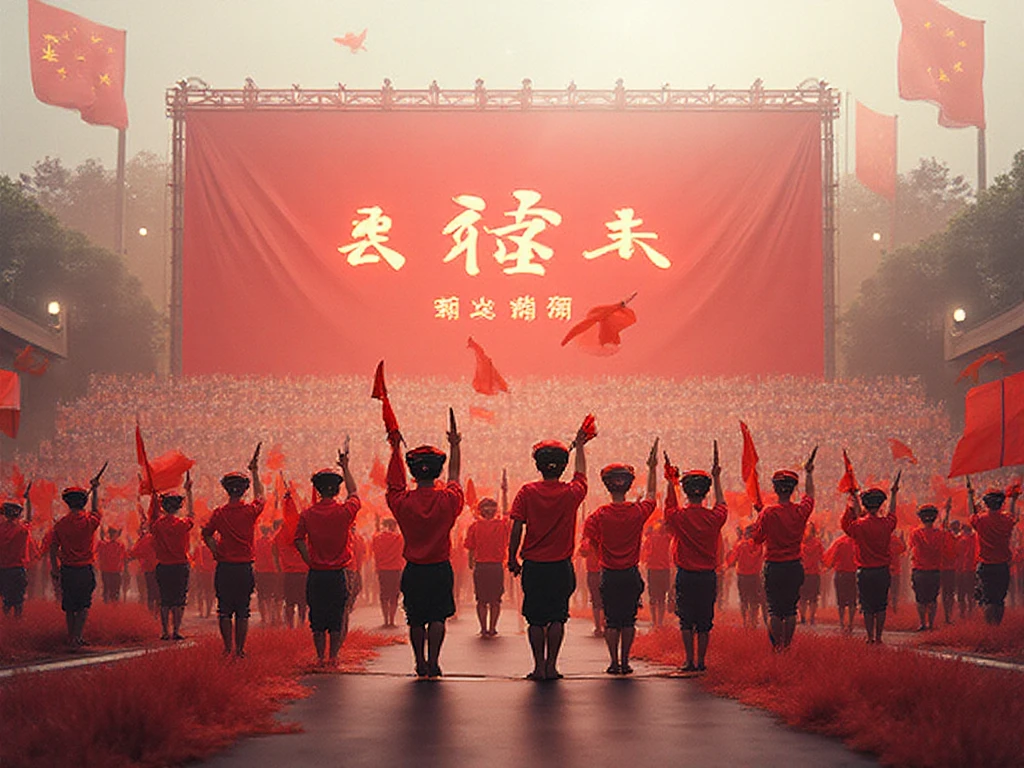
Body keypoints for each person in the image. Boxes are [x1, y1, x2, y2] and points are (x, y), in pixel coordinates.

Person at [508, 426, 589, 681]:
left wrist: (512, 557)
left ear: (538, 466)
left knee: (535, 619)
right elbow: (581, 474)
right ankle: (552, 666)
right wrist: (581, 446)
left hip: (534, 565)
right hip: (560, 566)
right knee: (557, 617)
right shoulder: (571, 493)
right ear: (562, 466)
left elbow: (517, 527)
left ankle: (538, 666)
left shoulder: (527, 492)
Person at [386, 414, 463, 679]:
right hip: (439, 568)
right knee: (438, 617)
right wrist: (455, 446)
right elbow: (455, 476)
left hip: (414, 569)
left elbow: (393, 486)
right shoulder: (449, 500)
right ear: (437, 470)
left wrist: (395, 449)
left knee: (415, 618)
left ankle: (419, 661)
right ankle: (434, 661)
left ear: (413, 473)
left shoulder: (403, 502)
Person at [583, 439, 659, 674]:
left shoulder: (598, 515)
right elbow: (652, 495)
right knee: (628, 621)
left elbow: (589, 544)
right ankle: (625, 662)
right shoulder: (637, 512)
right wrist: (653, 468)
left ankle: (613, 662)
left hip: (609, 574)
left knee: (611, 621)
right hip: (630, 574)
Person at [663, 444, 727, 672]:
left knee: (686, 620)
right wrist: (718, 478)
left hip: (686, 576)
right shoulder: (714, 518)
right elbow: (722, 504)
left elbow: (669, 508)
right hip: (707, 576)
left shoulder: (679, 517)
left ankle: (688, 660)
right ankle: (702, 662)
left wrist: (671, 483)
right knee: (704, 622)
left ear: (686, 491)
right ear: (706, 492)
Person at [294, 452, 361, 666]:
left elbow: (298, 540)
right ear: (337, 489)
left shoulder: (307, 514)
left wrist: (309, 560)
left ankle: (320, 657)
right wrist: (346, 467)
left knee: (317, 618)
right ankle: (334, 657)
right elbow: (355, 492)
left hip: (316, 573)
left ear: (317, 489)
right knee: (336, 617)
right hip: (338, 573)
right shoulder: (344, 512)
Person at [202, 446, 265, 658]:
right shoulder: (249, 511)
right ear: (244, 490)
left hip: (225, 567)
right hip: (244, 568)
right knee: (243, 611)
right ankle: (240, 650)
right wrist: (255, 471)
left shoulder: (219, 513)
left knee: (224, 611)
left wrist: (215, 551)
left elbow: (206, 533)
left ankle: (227, 648)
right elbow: (261, 496)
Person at [751, 451, 816, 651]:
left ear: (775, 489)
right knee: (790, 611)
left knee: (774, 610)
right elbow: (810, 496)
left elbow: (757, 538)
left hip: (774, 566)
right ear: (793, 489)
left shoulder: (768, 513)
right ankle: (786, 648)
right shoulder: (799, 511)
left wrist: (759, 516)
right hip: (794, 565)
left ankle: (776, 649)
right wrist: (809, 473)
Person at [841, 480, 899, 644]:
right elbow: (892, 513)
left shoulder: (859, 526)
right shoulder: (886, 524)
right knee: (881, 605)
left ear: (865, 506)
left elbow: (846, 524)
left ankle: (869, 637)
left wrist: (851, 503)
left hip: (865, 571)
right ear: (880, 506)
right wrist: (894, 494)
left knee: (867, 606)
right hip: (882, 571)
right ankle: (879, 637)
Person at [50, 473, 103, 648]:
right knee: (83, 605)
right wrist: (95, 490)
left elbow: (53, 547)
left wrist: (54, 569)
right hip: (84, 569)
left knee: (70, 606)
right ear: (83, 502)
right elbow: (96, 512)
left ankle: (71, 636)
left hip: (67, 569)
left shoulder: (60, 524)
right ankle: (77, 637)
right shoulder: (89, 521)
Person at [969, 480, 1021, 625]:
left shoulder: (981, 520)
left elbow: (971, 515)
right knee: (999, 600)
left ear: (986, 504)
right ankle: (996, 627)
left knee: (987, 600)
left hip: (986, 565)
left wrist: (970, 495)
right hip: (1002, 566)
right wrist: (1014, 500)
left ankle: (989, 628)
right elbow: (1012, 515)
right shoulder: (1006, 520)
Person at [151, 474, 195, 641]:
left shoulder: (157, 525)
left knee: (165, 601)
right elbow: (192, 514)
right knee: (179, 601)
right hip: (180, 565)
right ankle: (176, 630)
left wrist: (155, 501)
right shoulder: (182, 524)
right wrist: (189, 491)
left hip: (164, 566)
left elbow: (153, 520)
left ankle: (164, 631)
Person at [464, 495, 511, 637]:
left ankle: (484, 628)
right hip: (496, 567)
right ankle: (492, 628)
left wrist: (471, 563)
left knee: (482, 600)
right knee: (495, 600)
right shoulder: (503, 525)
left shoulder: (475, 526)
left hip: (481, 566)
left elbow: (470, 548)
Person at [275, 488, 309, 629]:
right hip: (303, 572)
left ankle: (290, 626)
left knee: (289, 602)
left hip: (288, 573)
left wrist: (278, 568)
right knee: (302, 602)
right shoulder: (303, 531)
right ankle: (301, 624)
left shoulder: (280, 534)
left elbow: (274, 552)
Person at [909, 504, 944, 631]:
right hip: (934, 571)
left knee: (920, 599)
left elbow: (912, 549)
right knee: (932, 599)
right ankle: (931, 624)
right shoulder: (939, 534)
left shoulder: (915, 533)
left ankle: (922, 623)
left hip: (919, 570)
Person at [0, 487, 32, 617]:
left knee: (6, 600)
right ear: (18, 514)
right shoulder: (22, 529)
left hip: (2, 568)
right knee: (18, 600)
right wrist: (28, 499)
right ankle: (17, 623)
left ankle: (6, 625)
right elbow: (29, 518)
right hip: (18, 568)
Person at [727, 526, 765, 629]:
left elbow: (732, 560)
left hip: (742, 575)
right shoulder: (760, 546)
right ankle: (753, 620)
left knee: (744, 599)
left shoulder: (739, 545)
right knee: (754, 600)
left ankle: (745, 621)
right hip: (755, 576)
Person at [371, 517, 404, 628]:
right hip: (395, 570)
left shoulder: (378, 538)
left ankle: (385, 620)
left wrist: (376, 525)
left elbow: (374, 548)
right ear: (394, 527)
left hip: (382, 570)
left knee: (384, 595)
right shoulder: (399, 538)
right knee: (394, 595)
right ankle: (392, 620)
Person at [642, 519, 673, 629]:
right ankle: (657, 621)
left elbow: (645, 551)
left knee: (656, 597)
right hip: (660, 569)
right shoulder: (665, 538)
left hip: (656, 569)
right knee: (658, 598)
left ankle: (657, 621)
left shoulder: (661, 538)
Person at [824, 531, 857, 632]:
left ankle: (842, 623)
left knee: (841, 601)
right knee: (852, 601)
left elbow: (831, 558)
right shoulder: (858, 542)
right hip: (854, 574)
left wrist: (828, 566)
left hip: (841, 575)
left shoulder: (839, 542)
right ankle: (851, 623)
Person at [128, 523, 159, 615]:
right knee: (158, 593)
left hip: (148, 569)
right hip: (161, 568)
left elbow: (134, 553)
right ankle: (157, 613)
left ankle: (151, 613)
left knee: (150, 593)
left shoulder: (144, 539)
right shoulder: (160, 537)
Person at [577, 530, 604, 636]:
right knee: (602, 600)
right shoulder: (605, 537)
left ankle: (598, 627)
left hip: (594, 572)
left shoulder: (589, 541)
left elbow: (582, 552)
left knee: (596, 600)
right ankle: (602, 625)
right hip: (603, 571)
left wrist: (584, 541)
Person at [254, 524, 281, 626]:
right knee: (273, 595)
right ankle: (273, 616)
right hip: (272, 571)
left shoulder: (257, 543)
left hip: (260, 571)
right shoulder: (272, 543)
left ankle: (264, 618)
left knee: (261, 596)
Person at [799, 523, 825, 625]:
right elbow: (822, 558)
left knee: (803, 598)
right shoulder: (818, 544)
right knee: (813, 598)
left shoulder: (800, 544)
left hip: (803, 573)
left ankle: (803, 618)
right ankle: (812, 618)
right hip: (814, 574)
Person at [96, 527, 127, 603]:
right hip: (115, 570)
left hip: (109, 570)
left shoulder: (104, 545)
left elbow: (98, 552)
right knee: (113, 590)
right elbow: (125, 556)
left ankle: (109, 607)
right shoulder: (120, 545)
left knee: (108, 589)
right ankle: (112, 607)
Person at [954, 523, 978, 619]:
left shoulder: (958, 539)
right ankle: (970, 611)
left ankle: (963, 612)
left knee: (961, 593)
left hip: (960, 569)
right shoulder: (974, 539)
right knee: (970, 592)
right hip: (970, 569)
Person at [889, 531, 907, 613]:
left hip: (884, 569)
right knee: (895, 590)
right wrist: (902, 540)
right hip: (896, 569)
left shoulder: (881, 539)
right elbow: (903, 549)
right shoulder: (896, 540)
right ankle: (894, 605)